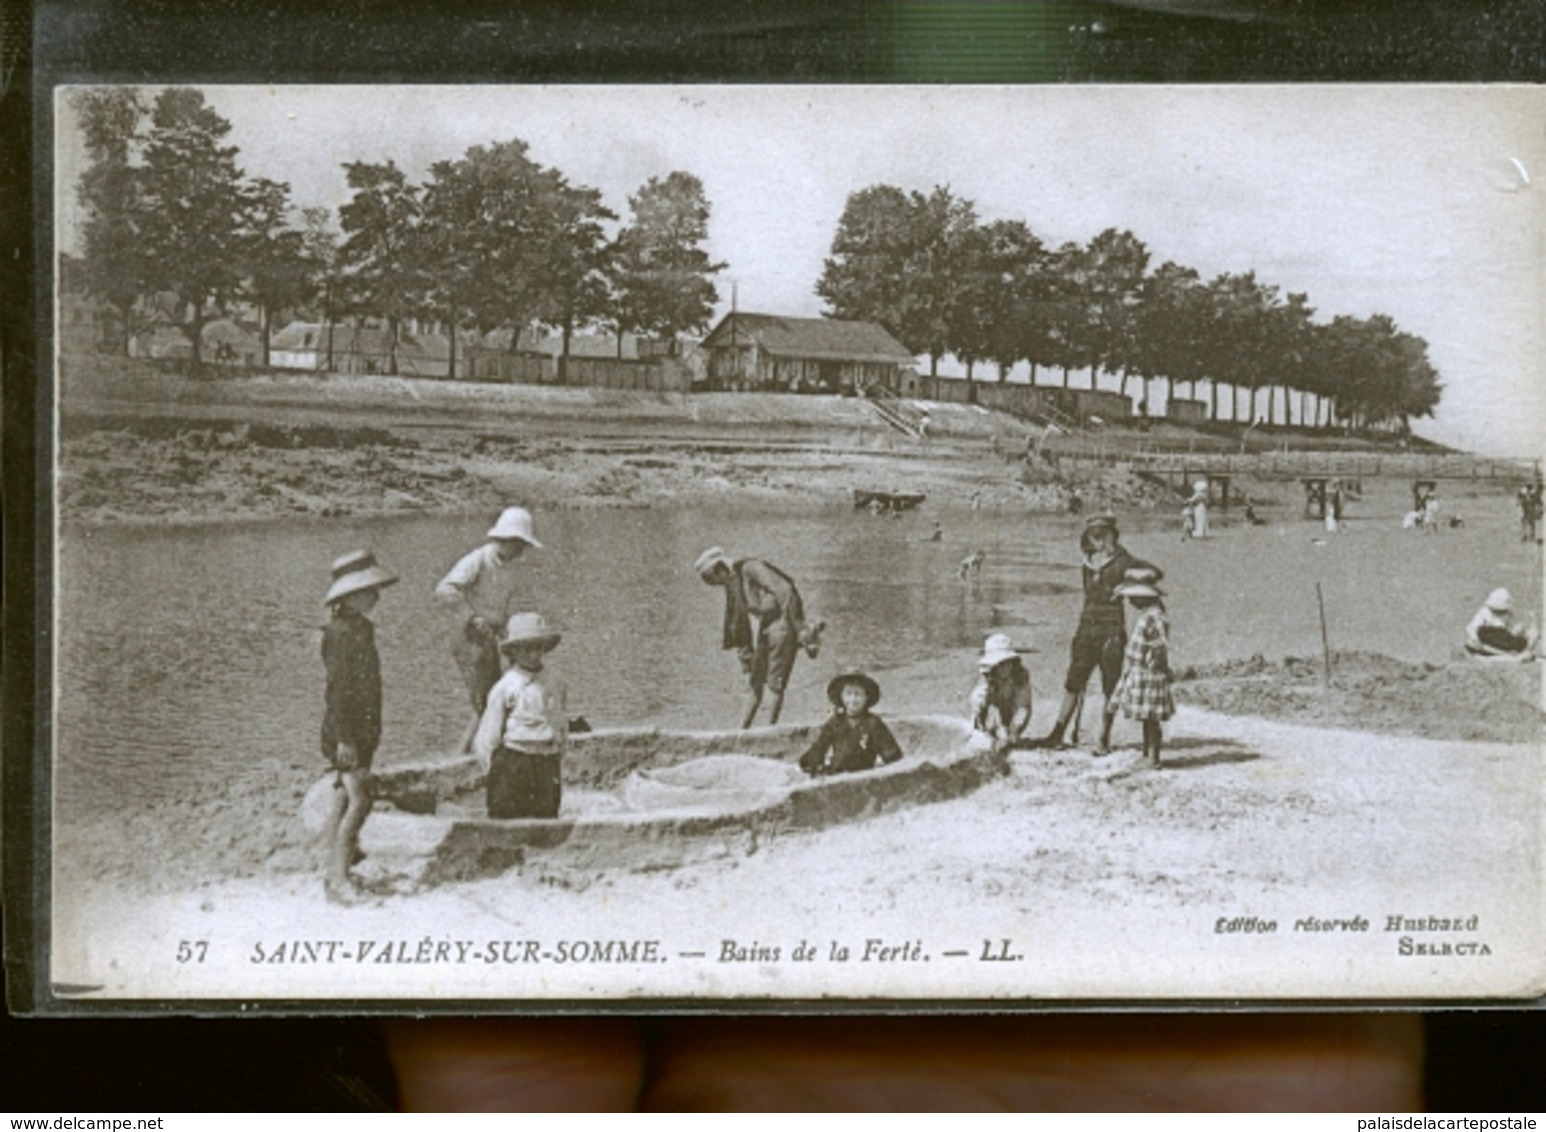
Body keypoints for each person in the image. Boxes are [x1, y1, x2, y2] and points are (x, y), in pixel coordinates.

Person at [1034, 512, 1159, 755]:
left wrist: (1131, 591)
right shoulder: (1087, 560)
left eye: (1103, 535)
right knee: (1074, 680)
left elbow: (1150, 579)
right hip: (1086, 626)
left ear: (1113, 534)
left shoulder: (1125, 561)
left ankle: (1104, 737)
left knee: (1110, 686)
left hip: (1112, 627)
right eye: (1094, 536)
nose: (1099, 541)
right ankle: (1057, 733)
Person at [318, 548, 398, 903]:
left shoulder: (360, 628)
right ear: (349, 596)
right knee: (360, 801)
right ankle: (339, 879)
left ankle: (333, 864)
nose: (376, 596)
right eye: (369, 590)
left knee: (342, 796)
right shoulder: (339, 634)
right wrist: (345, 739)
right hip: (346, 730)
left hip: (362, 728)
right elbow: (337, 690)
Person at [436, 506, 543, 753]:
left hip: (489, 636)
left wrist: (508, 636)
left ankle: (470, 751)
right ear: (507, 540)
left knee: (493, 696)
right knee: (485, 699)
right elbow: (445, 590)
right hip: (469, 637)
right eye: (520, 544)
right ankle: (469, 753)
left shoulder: (509, 568)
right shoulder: (478, 560)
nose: (522, 550)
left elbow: (500, 609)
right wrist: (472, 617)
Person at [695, 547, 823, 729]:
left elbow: (785, 590)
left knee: (775, 683)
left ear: (720, 569)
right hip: (765, 626)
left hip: (781, 624)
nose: (720, 585)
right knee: (755, 681)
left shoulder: (750, 567)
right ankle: (742, 731)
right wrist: (746, 661)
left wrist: (798, 629)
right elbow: (737, 624)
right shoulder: (733, 579)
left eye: (716, 580)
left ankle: (770, 729)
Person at [472, 612, 569, 819]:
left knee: (545, 814)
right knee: (506, 812)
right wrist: (494, 771)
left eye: (538, 647)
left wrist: (559, 747)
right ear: (513, 651)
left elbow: (559, 718)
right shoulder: (506, 686)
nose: (533, 654)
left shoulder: (555, 681)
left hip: (545, 758)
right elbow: (489, 735)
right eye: (526, 648)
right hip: (514, 759)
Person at [1110, 567, 1175, 766]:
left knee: (1150, 718)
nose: (1130, 602)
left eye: (1133, 597)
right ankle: (1149, 754)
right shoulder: (1157, 616)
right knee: (1149, 717)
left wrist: (1142, 666)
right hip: (1150, 671)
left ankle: (1152, 757)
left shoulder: (1149, 619)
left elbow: (1147, 648)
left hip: (1146, 672)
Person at [798, 670, 903, 777]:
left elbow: (892, 756)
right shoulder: (836, 722)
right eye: (848, 694)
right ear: (842, 697)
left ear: (866, 697)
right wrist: (813, 764)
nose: (853, 700)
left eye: (858, 694)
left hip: (863, 779)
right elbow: (819, 748)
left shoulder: (873, 723)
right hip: (836, 777)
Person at [968, 633, 1033, 751]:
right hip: (992, 709)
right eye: (1000, 664)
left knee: (1010, 737)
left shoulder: (1021, 675)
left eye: (1008, 662)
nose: (1005, 667)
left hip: (1012, 708)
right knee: (984, 737)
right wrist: (982, 729)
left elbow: (1023, 707)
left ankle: (1009, 736)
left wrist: (1014, 731)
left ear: (1013, 661)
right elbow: (977, 703)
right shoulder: (986, 677)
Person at [1465, 588, 1538, 658]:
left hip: (1503, 639)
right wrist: (1475, 639)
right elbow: (1472, 628)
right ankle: (1509, 653)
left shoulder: (1507, 613)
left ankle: (1516, 651)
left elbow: (1509, 629)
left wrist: (1517, 629)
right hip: (1489, 638)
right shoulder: (1484, 612)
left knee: (1529, 634)